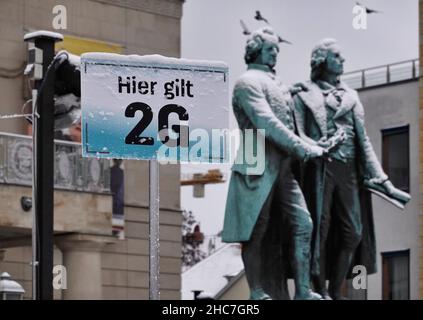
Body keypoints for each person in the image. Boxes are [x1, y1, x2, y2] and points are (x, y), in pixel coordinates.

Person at [293, 38, 411, 300]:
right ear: (322, 61)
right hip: (320, 169)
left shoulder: (351, 96)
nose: (342, 60)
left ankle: (335, 289)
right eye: (336, 56)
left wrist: (382, 178)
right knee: (318, 232)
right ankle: (318, 290)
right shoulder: (303, 95)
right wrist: (317, 145)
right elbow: (298, 135)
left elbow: (363, 140)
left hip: (349, 172)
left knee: (353, 232)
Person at [222, 27, 324, 300]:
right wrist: (301, 147)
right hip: (255, 158)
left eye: (277, 50)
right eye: (270, 49)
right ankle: (256, 290)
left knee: (304, 223)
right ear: (256, 50)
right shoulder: (247, 82)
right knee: (256, 229)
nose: (275, 54)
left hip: (282, 166)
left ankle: (303, 290)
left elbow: (286, 117)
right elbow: (266, 122)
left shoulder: (275, 84)